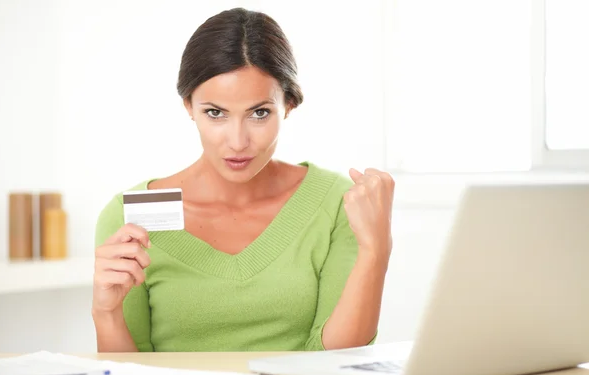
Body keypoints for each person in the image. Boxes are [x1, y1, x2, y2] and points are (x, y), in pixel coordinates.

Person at [91, 7, 395, 352]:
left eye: (259, 113)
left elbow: (335, 360)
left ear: (289, 105)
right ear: (188, 106)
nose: (237, 142)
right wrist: (106, 313)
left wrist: (376, 250)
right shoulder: (131, 215)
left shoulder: (336, 202)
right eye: (215, 113)